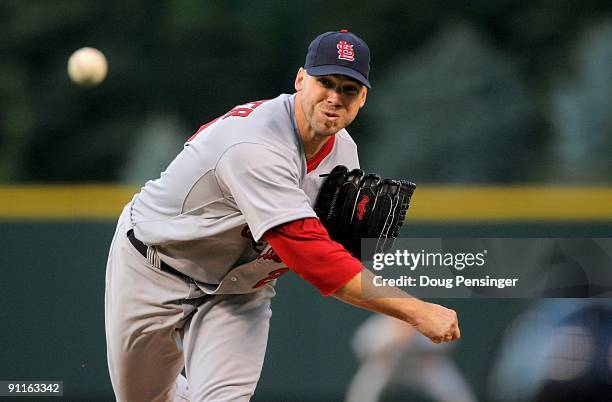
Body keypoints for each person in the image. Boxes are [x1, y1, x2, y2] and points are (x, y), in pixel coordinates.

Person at [104, 29, 460, 402]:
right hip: (155, 267)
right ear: (300, 80)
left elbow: (331, 250)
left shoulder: (344, 156)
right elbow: (309, 253)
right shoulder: (254, 143)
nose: (335, 97)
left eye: (349, 89)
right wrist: (412, 309)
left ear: (363, 98)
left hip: (239, 290)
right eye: (325, 82)